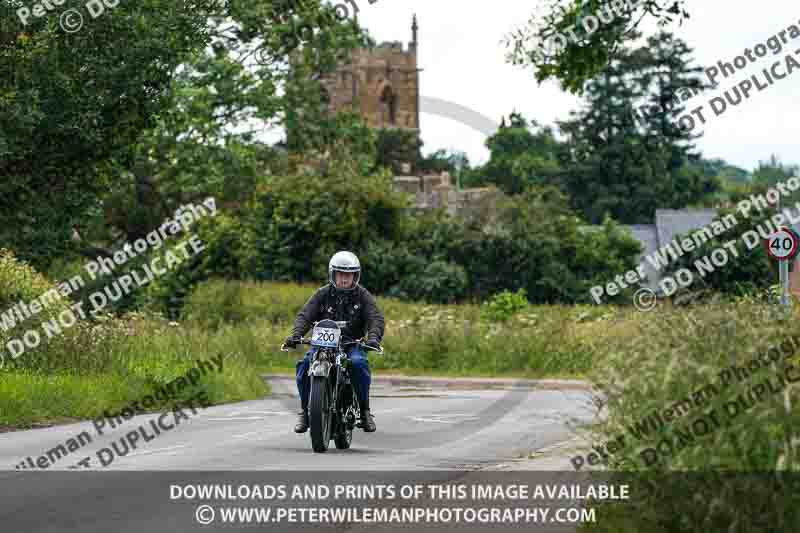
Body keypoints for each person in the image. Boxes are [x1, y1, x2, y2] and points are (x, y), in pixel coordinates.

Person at [285, 251, 384, 433]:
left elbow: (375, 318)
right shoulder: (322, 294)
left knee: (358, 363)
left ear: (355, 276)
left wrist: (373, 337)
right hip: (322, 345)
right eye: (341, 274)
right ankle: (305, 413)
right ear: (333, 274)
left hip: (351, 344)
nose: (344, 279)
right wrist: (296, 334)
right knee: (304, 364)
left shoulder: (363, 296)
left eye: (349, 275)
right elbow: (305, 316)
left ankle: (364, 410)